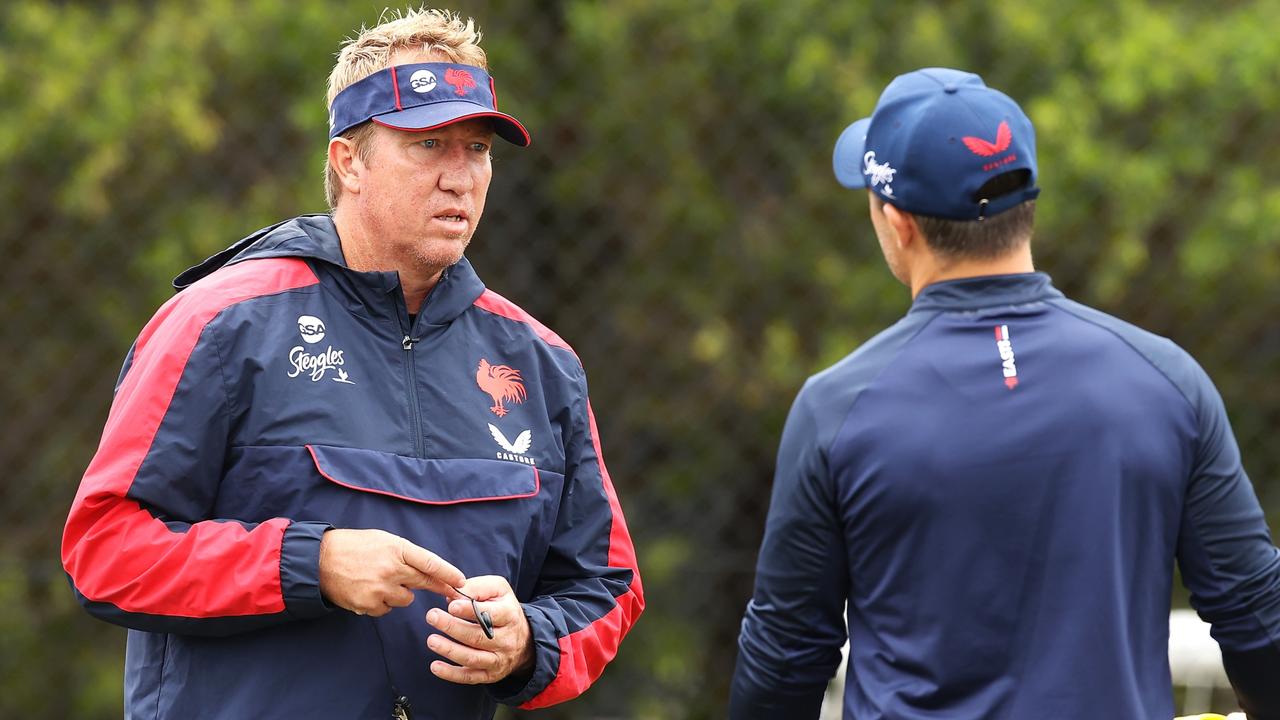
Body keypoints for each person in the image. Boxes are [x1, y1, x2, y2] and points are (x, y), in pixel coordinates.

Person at [61, 8, 642, 719]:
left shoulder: (542, 363)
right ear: (349, 161)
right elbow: (104, 551)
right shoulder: (220, 323)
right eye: (427, 144)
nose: (460, 176)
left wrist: (528, 643)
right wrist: (310, 564)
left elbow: (606, 585)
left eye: (477, 148)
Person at [730, 68, 1280, 719]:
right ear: (1026, 206)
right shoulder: (1167, 381)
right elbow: (1259, 620)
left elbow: (784, 663)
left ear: (899, 223)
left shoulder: (839, 408)